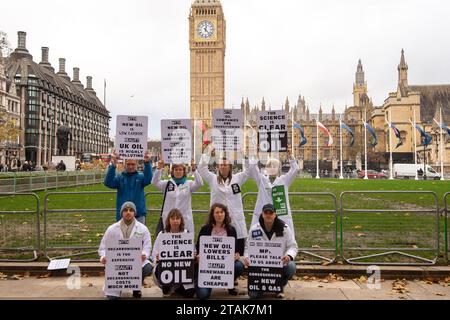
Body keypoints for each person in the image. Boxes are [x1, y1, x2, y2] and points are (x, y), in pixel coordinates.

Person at [197, 154, 257, 258]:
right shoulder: (213, 179)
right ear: (218, 167)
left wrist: (243, 155)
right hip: (218, 219)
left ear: (230, 167)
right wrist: (208, 154)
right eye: (221, 165)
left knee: (238, 250)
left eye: (225, 165)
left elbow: (249, 170)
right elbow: (202, 169)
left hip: (235, 218)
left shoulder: (238, 178)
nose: (223, 167)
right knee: (218, 246)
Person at [98, 201, 153, 299]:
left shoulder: (143, 229)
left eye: (131, 210)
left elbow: (147, 246)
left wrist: (144, 254)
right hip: (117, 265)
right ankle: (116, 289)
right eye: (125, 210)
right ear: (122, 213)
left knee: (147, 268)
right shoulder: (112, 229)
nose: (128, 212)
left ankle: (136, 287)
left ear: (134, 213)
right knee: (112, 297)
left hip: (136, 262)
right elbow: (102, 247)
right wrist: (103, 257)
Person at [244, 203, 298, 299]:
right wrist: (247, 258)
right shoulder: (254, 229)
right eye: (266, 213)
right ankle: (263, 287)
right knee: (253, 296)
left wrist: (288, 256)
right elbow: (248, 247)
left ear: (275, 214)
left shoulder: (284, 228)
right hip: (260, 267)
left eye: (271, 213)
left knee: (291, 266)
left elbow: (293, 246)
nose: (268, 215)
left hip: (279, 264)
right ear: (262, 214)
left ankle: (280, 286)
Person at [195, 203, 245, 300]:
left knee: (238, 266)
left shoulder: (231, 230)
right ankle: (199, 280)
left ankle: (229, 284)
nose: (219, 215)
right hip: (207, 267)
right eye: (216, 212)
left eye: (221, 212)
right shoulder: (205, 229)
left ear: (225, 214)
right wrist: (199, 255)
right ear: (212, 215)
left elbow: (235, 250)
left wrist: (237, 255)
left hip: (225, 265)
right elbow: (198, 247)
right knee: (202, 295)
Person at [249, 154, 299, 236]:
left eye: (274, 166)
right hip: (263, 213)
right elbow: (252, 169)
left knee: (282, 237)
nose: (272, 168)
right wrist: (256, 156)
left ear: (279, 169)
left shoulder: (284, 180)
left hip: (281, 214)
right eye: (269, 166)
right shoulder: (261, 180)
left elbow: (295, 169)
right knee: (260, 237)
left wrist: (291, 157)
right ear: (266, 169)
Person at [152, 208, 196, 298]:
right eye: (173, 218)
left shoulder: (186, 233)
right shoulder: (162, 234)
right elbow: (154, 252)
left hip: (182, 269)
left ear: (181, 220)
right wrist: (157, 257)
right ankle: (167, 286)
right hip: (166, 268)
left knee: (190, 293)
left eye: (177, 218)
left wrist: (193, 255)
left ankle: (175, 287)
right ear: (169, 220)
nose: (175, 221)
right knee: (160, 268)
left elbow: (193, 251)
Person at [152, 159, 203, 234]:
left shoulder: (189, 184)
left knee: (184, 241)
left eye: (180, 170)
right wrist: (159, 168)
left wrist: (194, 169)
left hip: (184, 217)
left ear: (184, 171)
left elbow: (199, 183)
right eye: (176, 170)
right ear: (172, 171)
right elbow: (154, 182)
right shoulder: (167, 183)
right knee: (168, 240)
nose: (178, 171)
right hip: (169, 218)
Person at [104, 150, 153, 224]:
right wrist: (113, 164)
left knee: (139, 235)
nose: (130, 167)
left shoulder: (140, 177)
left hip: (138, 215)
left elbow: (149, 179)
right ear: (124, 164)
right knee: (123, 235)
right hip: (123, 215)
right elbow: (108, 182)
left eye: (133, 164)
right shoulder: (120, 178)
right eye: (128, 164)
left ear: (136, 164)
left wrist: (147, 163)